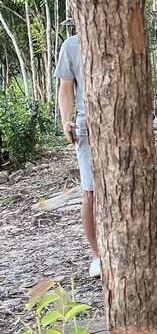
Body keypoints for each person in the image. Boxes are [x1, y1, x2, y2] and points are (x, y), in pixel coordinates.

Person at [56, 33, 99, 277]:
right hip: (87, 125)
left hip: (126, 121)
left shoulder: (127, 33)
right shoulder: (72, 45)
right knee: (90, 192)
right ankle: (97, 255)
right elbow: (66, 87)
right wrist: (66, 120)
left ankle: (146, 246)